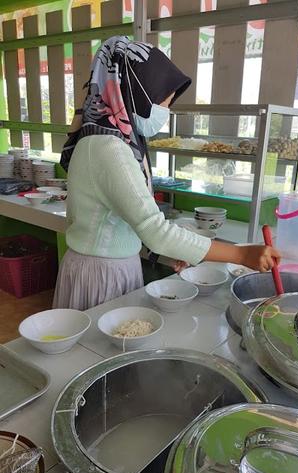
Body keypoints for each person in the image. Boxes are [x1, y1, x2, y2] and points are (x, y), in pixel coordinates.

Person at [53, 37, 280, 310]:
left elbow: (131, 220)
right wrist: (241, 254)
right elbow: (155, 230)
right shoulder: (109, 148)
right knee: (99, 349)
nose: (165, 111)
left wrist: (183, 249)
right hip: (102, 275)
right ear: (136, 93)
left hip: (107, 266)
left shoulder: (111, 138)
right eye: (163, 102)